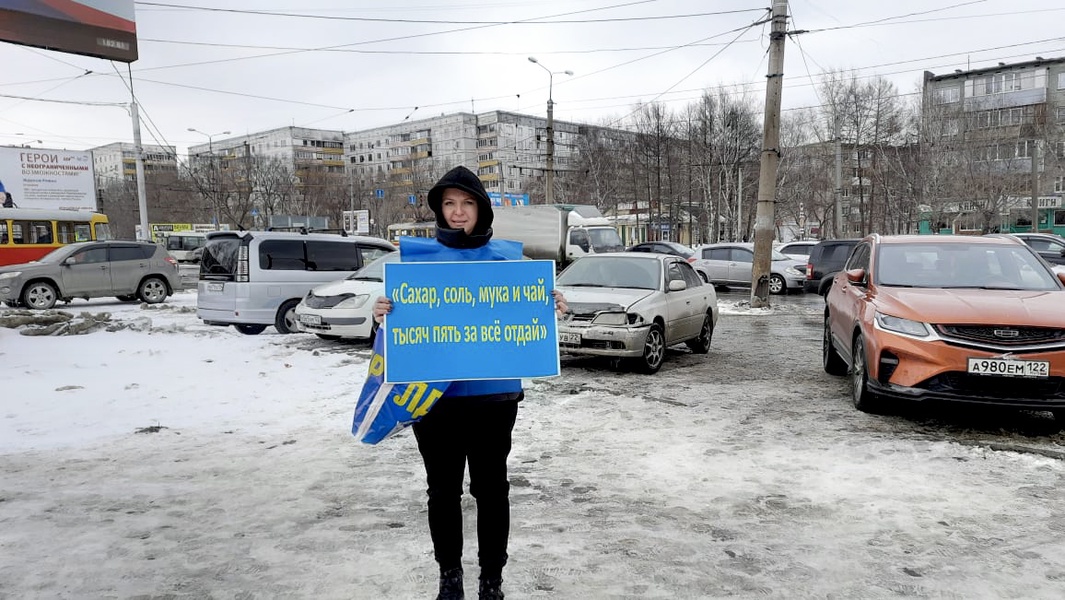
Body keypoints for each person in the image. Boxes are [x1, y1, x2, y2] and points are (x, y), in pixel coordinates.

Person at [373, 165, 567, 600]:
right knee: (442, 492)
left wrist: (549, 303)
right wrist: (381, 316)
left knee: (491, 489)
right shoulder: (415, 263)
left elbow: (526, 316)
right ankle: (450, 575)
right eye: (449, 203)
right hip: (432, 399)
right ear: (439, 210)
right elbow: (399, 334)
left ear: (481, 209)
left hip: (494, 400)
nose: (458, 212)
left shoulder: (508, 261)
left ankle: (491, 578)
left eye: (467, 203)